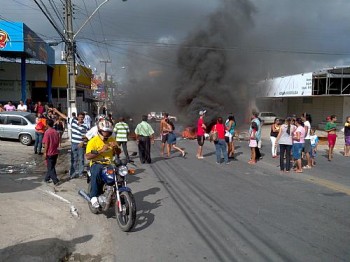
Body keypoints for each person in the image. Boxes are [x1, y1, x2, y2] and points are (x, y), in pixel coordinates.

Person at [85, 119, 119, 208]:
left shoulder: (112, 139)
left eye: (108, 132)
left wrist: (115, 148)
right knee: (97, 170)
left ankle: (116, 193)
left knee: (121, 172)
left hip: (110, 164)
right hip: (97, 163)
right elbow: (88, 156)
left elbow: (118, 152)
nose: (107, 134)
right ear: (100, 131)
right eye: (105, 132)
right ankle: (93, 197)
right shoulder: (93, 141)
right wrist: (101, 150)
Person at [54, 109, 88, 179]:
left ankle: (80, 173)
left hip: (81, 145)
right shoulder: (73, 121)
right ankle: (73, 173)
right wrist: (57, 111)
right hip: (73, 144)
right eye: (80, 117)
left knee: (81, 159)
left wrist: (83, 142)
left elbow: (87, 136)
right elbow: (64, 117)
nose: (81, 119)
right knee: (73, 159)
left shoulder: (86, 126)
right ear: (77, 117)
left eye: (82, 117)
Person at [42, 119, 60, 185]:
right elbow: (58, 141)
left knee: (50, 167)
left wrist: (44, 152)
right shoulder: (56, 131)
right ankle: (47, 178)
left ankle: (56, 181)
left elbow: (46, 144)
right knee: (51, 167)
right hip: (55, 151)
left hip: (50, 152)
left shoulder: (47, 132)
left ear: (47, 124)